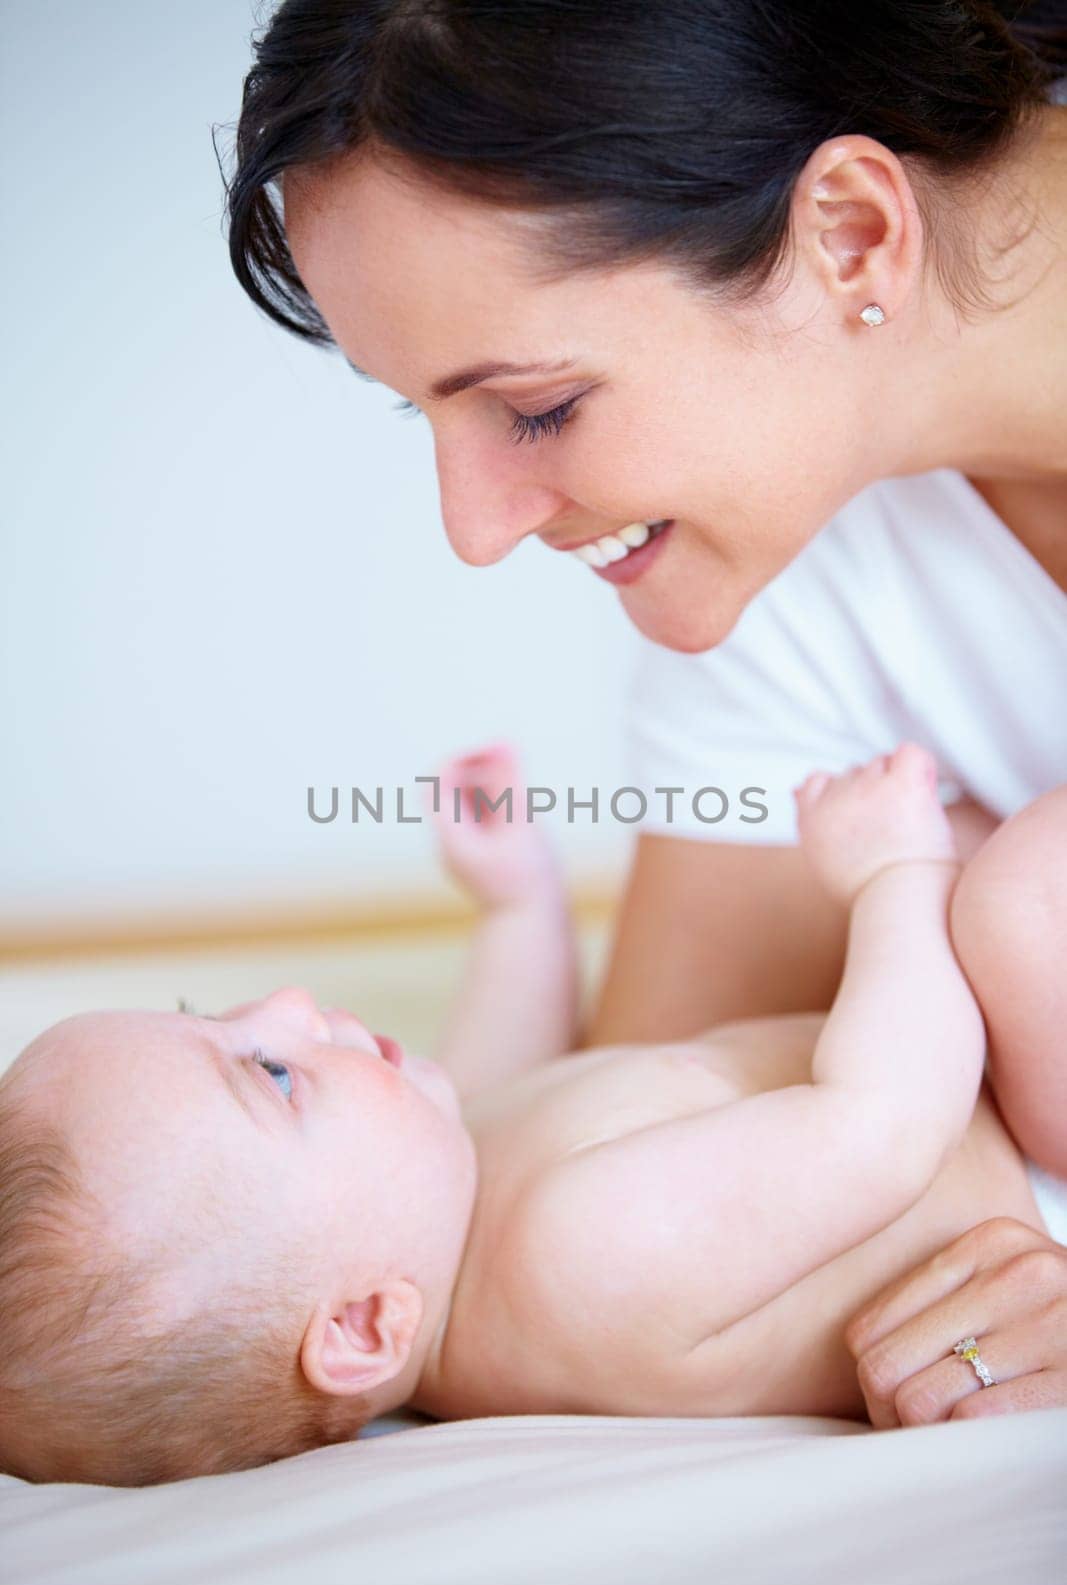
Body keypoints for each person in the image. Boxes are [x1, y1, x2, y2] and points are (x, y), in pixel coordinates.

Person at [219, 1, 1067, 1424]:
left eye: (535, 407)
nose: (473, 533)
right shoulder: (784, 560)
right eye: (418, 414)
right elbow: (670, 1103)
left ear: (850, 234)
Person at [2, 740, 1065, 1486]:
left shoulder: (441, 1216)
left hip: (977, 1091)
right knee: (1013, 891)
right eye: (269, 1075)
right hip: (1022, 1170)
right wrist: (895, 871)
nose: (285, 1005)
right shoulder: (577, 1257)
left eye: (213, 1014)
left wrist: (514, 899)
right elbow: (880, 1123)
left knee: (963, 825)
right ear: (364, 1326)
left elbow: (503, 1060)